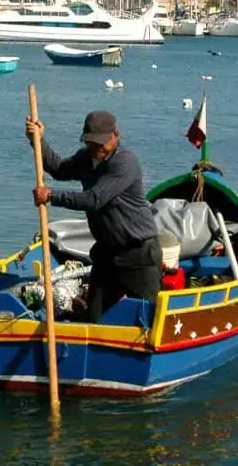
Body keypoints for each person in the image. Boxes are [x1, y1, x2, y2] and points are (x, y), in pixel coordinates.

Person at [26, 110, 161, 322]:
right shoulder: (85, 158)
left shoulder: (125, 162)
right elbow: (59, 169)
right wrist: (38, 140)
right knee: (95, 317)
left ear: (116, 135)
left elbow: (94, 198)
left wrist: (51, 196)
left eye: (101, 143)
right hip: (107, 254)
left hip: (138, 254)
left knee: (148, 318)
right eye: (91, 143)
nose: (96, 149)